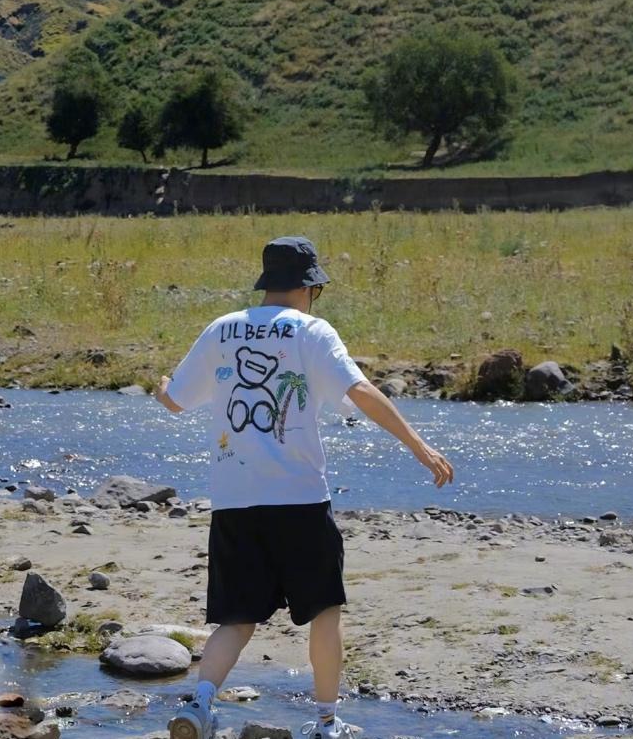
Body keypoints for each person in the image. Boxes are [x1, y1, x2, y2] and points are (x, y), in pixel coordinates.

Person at [156, 235, 454, 739]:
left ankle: (201, 704)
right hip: (298, 500)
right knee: (324, 610)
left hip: (233, 504)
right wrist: (419, 446)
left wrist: (162, 386)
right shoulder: (311, 332)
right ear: (310, 287)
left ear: (267, 283)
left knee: (237, 618)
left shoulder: (221, 329)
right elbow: (359, 390)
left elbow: (176, 402)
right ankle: (325, 722)